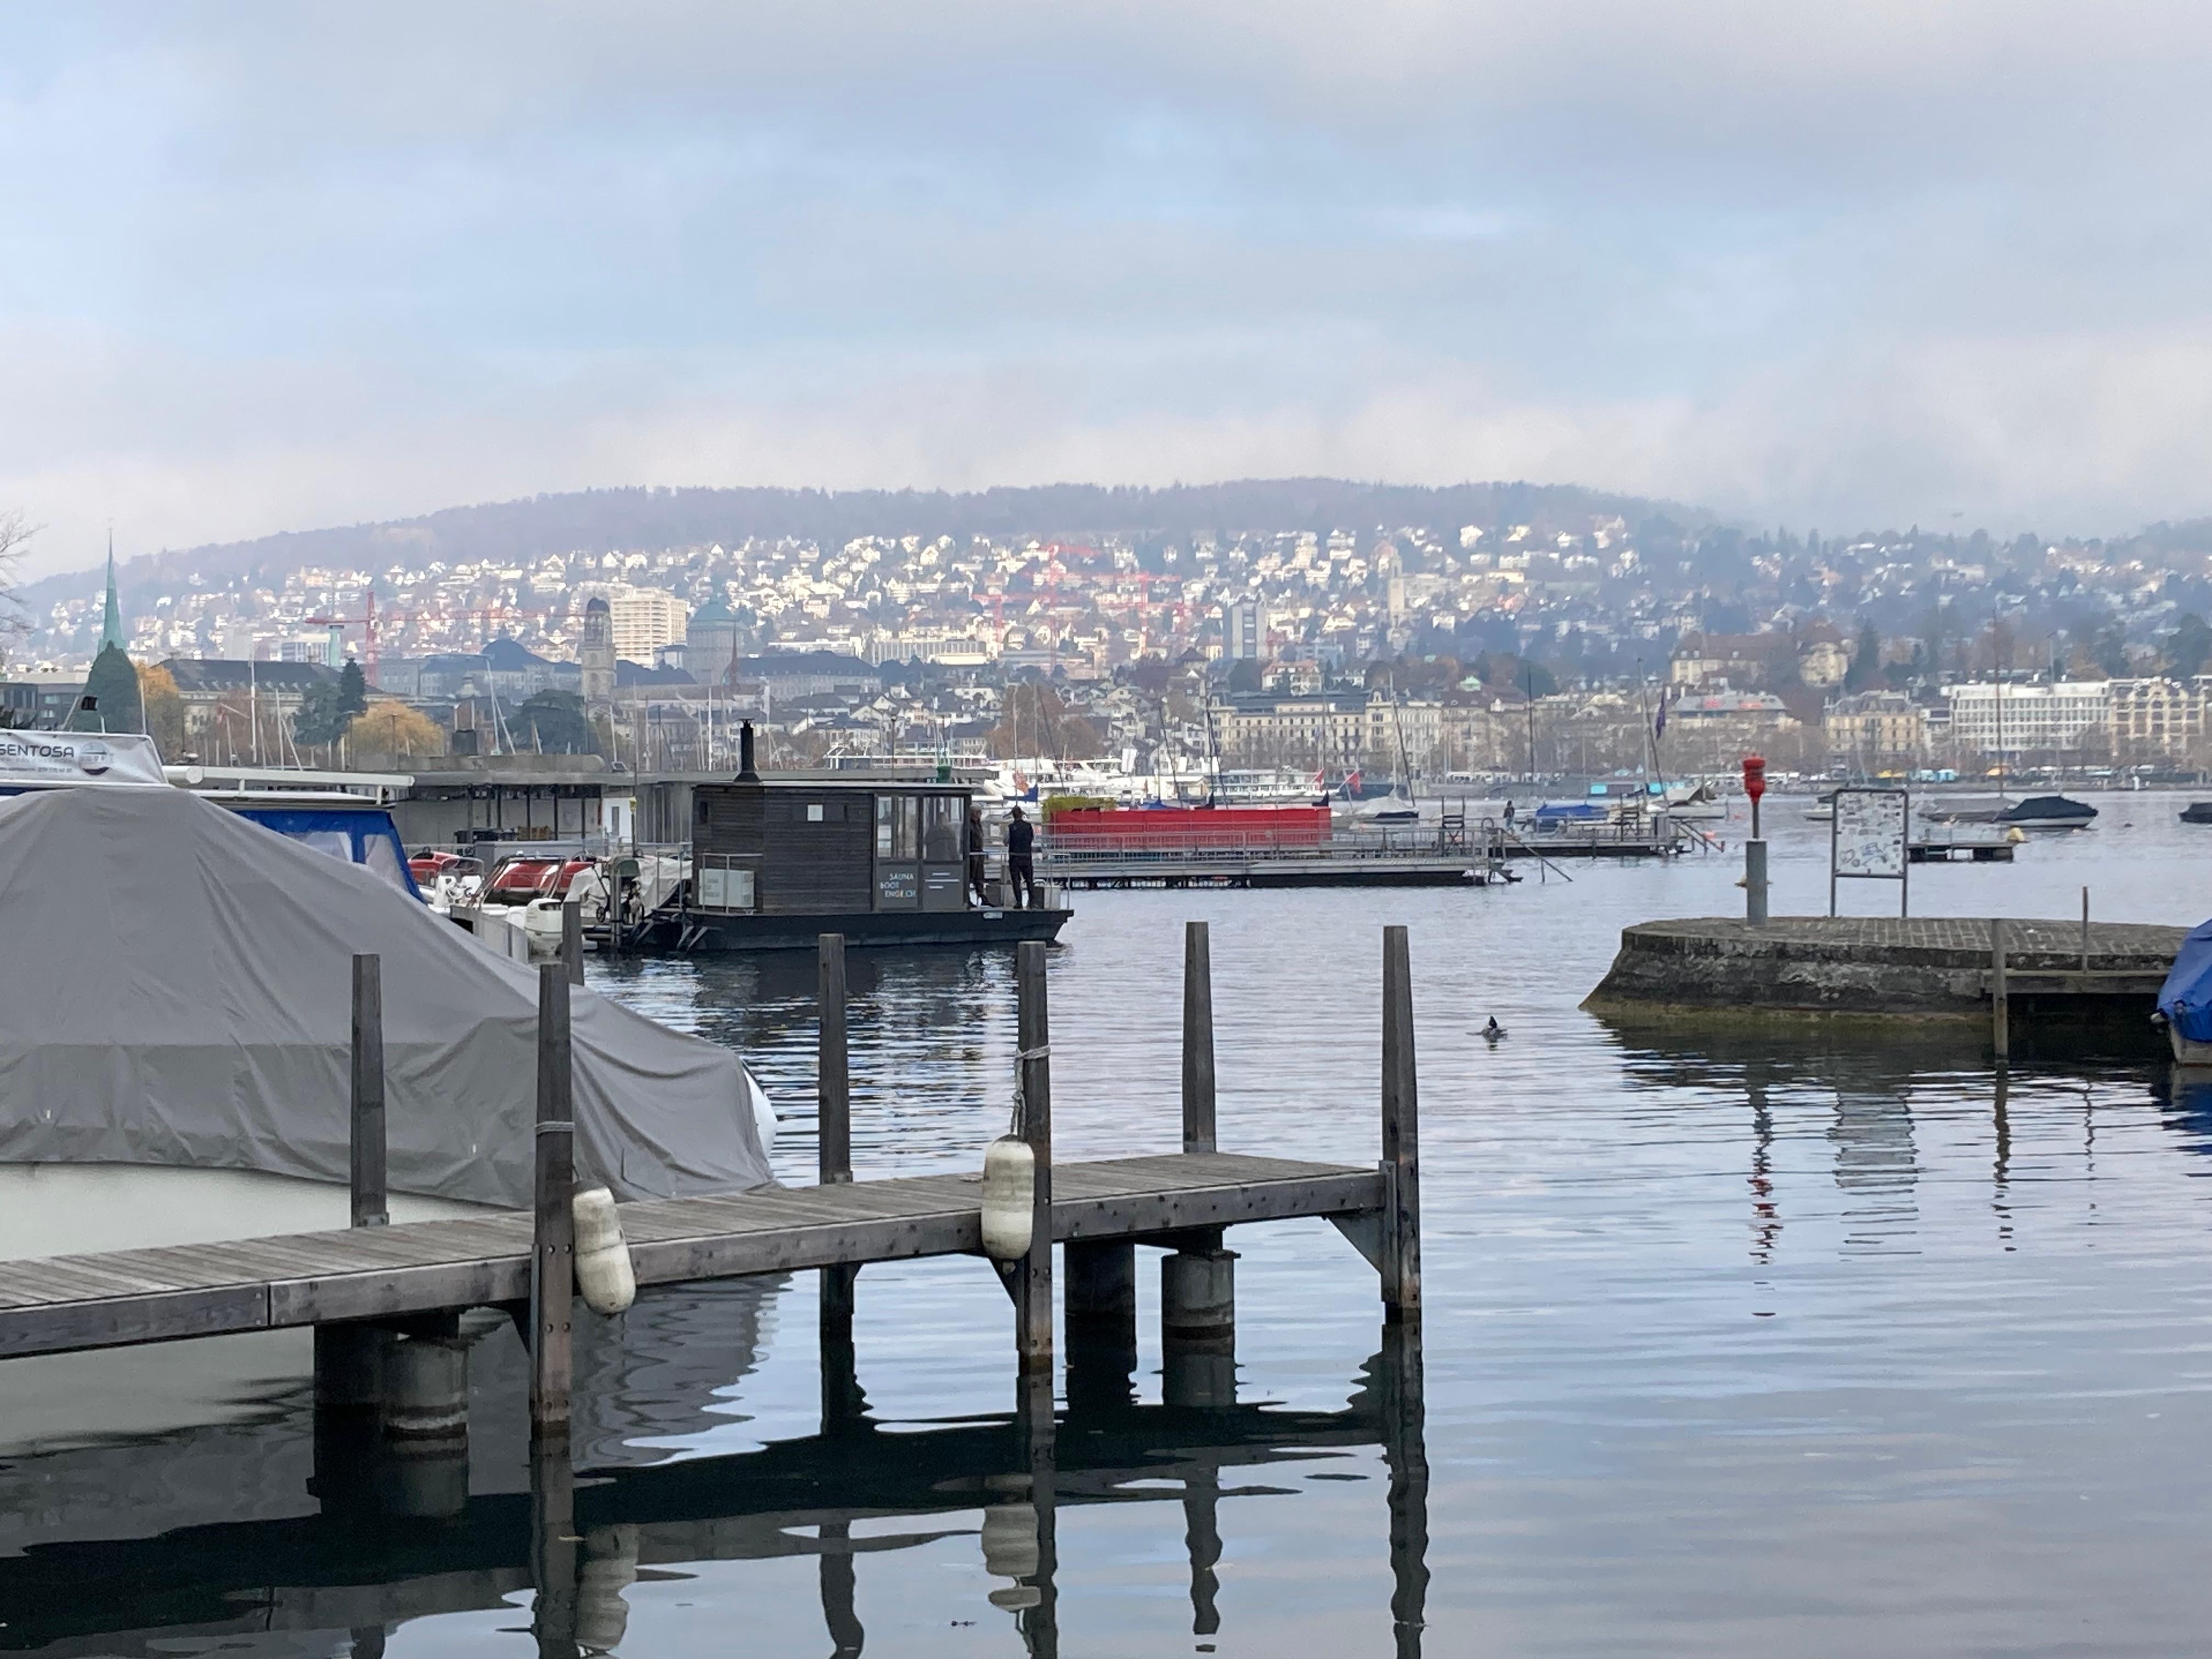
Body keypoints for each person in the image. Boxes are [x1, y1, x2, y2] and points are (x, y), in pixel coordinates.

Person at [1006, 805, 1037, 909]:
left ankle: (1019, 902)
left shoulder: (1010, 828)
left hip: (1014, 857)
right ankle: (1032, 902)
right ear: (1022, 815)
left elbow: (1006, 841)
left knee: (1016, 881)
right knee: (1029, 880)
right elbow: (1032, 839)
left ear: (1013, 816)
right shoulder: (1028, 826)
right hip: (1027, 856)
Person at [966, 802, 990, 905]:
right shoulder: (969, 825)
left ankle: (982, 897)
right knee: (970, 876)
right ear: (974, 813)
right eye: (979, 812)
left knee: (979, 877)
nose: (980, 814)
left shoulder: (978, 824)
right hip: (973, 853)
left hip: (979, 853)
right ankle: (967, 898)